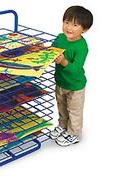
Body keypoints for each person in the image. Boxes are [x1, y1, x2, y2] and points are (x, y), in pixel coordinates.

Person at [50, 5, 93, 146]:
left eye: (75, 25)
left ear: (84, 29)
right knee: (61, 107)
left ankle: (74, 133)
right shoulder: (60, 38)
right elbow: (52, 49)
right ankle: (63, 126)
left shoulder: (82, 46)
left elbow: (76, 69)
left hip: (75, 85)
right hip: (61, 82)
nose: (69, 27)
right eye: (66, 22)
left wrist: (63, 61)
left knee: (74, 111)